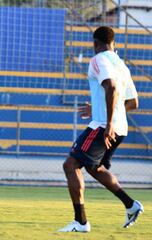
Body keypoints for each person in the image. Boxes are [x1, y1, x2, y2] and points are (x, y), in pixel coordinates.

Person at [58, 26, 143, 232]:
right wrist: (101, 110)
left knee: (70, 165)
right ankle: (131, 205)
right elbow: (133, 102)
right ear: (113, 43)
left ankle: (81, 222)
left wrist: (108, 123)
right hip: (120, 129)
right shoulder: (122, 65)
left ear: (95, 43)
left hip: (104, 126)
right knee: (94, 167)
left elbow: (111, 87)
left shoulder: (98, 60)